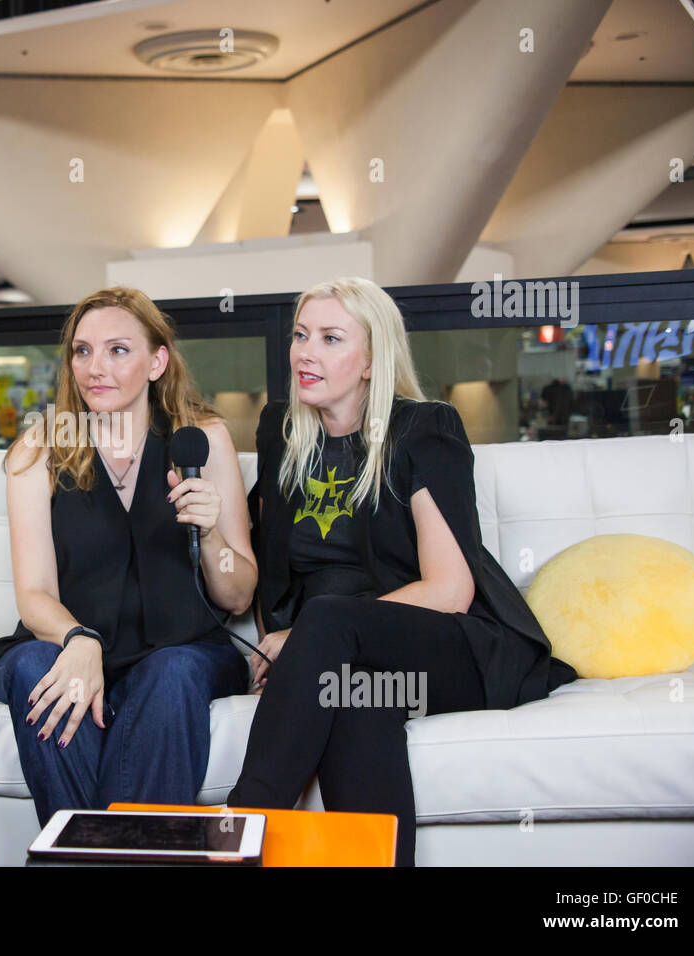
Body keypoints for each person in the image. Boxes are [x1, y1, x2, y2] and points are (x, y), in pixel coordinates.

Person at [226, 276, 577, 866]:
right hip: (351, 659)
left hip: (451, 646)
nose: (305, 352)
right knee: (355, 701)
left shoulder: (424, 429)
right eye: (301, 335)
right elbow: (271, 570)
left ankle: (240, 829)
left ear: (371, 360)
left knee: (331, 623)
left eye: (331, 338)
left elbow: (450, 589)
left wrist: (311, 637)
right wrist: (291, 644)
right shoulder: (282, 430)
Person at [0, 287, 256, 825]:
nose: (95, 368)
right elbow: (34, 591)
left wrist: (210, 537)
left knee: (173, 670)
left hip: (181, 652)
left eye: (117, 350)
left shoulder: (201, 439)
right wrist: (77, 639)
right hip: (73, 645)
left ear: (157, 361)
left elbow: (239, 591)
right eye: (82, 351)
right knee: (31, 666)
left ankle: (88, 856)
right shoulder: (38, 450)